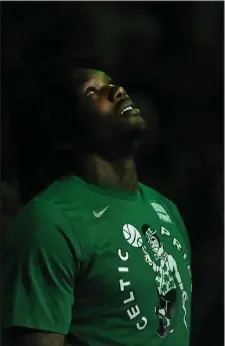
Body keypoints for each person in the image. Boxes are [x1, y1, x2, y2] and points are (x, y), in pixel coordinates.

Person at [2, 56, 192, 346]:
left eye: (112, 83)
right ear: (65, 134)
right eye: (92, 92)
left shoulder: (166, 209)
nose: (118, 91)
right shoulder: (49, 221)